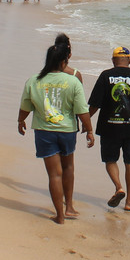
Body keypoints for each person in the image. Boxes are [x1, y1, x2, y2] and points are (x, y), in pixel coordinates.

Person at [18, 43, 94, 224]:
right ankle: (69, 207)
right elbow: (82, 110)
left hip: (44, 133)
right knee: (68, 168)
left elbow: (25, 107)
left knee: (54, 174)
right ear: (63, 61)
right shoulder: (73, 81)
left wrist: (21, 121)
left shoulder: (34, 80)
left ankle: (59, 216)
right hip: (67, 131)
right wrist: (89, 129)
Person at [88, 46, 130, 212]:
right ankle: (129, 202)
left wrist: (85, 122)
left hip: (109, 127)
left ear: (113, 61)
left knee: (110, 160)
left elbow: (94, 104)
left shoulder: (105, 76)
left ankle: (119, 187)